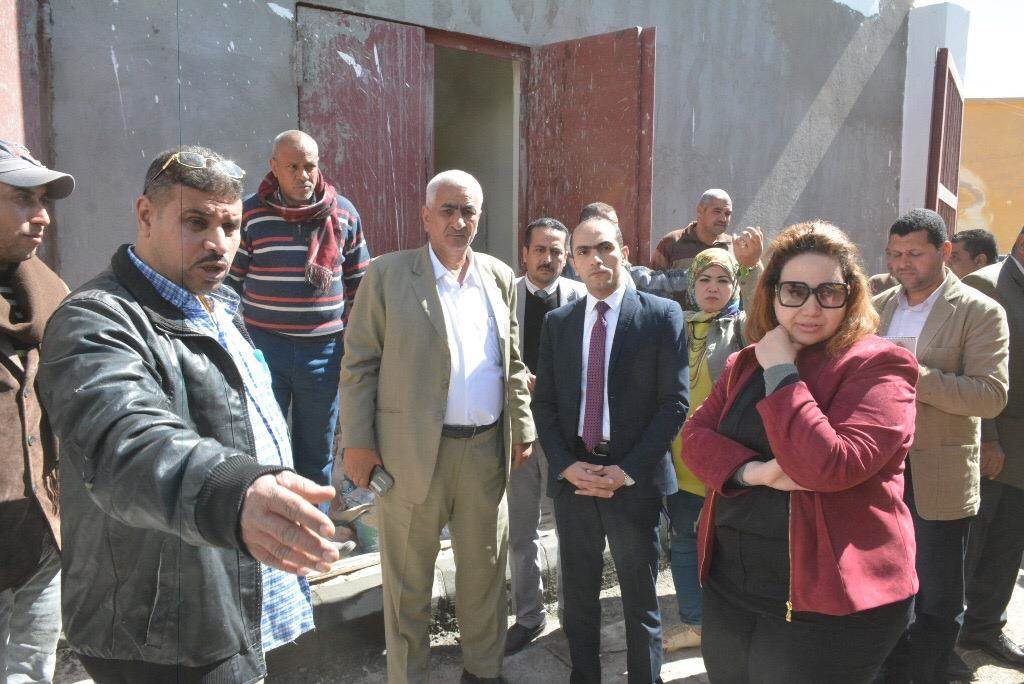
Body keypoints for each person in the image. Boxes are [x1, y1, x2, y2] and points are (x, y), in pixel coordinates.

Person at [38, 146, 340, 682]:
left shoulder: (219, 305)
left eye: (230, 226)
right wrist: (233, 492)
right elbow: (126, 439)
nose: (218, 243)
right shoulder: (95, 320)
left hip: (227, 597)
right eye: (196, 222)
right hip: (162, 628)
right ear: (145, 215)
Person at [682, 220, 920, 683]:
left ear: (850, 296)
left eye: (828, 292)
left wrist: (782, 371)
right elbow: (695, 438)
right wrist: (753, 472)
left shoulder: (880, 365)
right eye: (794, 291)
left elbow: (830, 466)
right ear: (772, 294)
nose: (810, 308)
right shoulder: (744, 362)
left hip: (832, 600)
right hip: (733, 584)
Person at [339, 170, 535, 683]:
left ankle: (483, 671)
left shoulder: (498, 276)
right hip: (409, 455)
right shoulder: (387, 275)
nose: (458, 221)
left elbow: (513, 362)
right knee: (408, 581)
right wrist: (357, 442)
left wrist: (523, 425)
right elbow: (359, 364)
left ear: (479, 217)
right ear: (425, 217)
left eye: (468, 211)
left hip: (485, 452)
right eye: (447, 210)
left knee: (485, 573)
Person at [533, 216, 688, 683]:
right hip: (576, 480)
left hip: (633, 481)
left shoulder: (661, 315)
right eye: (583, 251)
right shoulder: (559, 323)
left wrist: (627, 470)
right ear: (573, 261)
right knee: (577, 600)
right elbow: (544, 404)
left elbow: (674, 404)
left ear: (623, 250)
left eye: (604, 247)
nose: (595, 259)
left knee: (640, 600)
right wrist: (566, 466)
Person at [875, 208, 1009, 683]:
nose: (901, 263)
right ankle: (890, 671)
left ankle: (929, 672)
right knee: (885, 584)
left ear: (945, 252)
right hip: (878, 469)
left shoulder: (979, 310)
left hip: (940, 475)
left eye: (913, 253)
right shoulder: (878, 305)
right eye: (894, 254)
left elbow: (990, 396)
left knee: (937, 594)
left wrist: (912, 373)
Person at [228, 130, 370, 495]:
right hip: (264, 350)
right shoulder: (251, 214)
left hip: (323, 354)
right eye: (292, 167)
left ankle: (313, 524)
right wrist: (235, 344)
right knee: (263, 445)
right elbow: (229, 285)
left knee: (316, 451)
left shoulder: (343, 213)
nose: (303, 175)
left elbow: (361, 287)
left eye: (309, 166)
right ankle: (270, 522)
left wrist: (353, 345)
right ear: (274, 167)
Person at [0, 139, 73, 683]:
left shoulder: (50, 294)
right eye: (23, 199)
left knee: (31, 669)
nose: (42, 215)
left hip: (40, 531)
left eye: (43, 200)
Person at [506, 217, 585, 655]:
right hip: (518, 432)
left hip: (567, 435)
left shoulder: (581, 298)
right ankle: (529, 617)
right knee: (522, 531)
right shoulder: (505, 295)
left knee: (571, 530)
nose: (547, 258)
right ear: (525, 253)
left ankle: (574, 616)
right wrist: (518, 382)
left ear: (566, 256)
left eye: (556, 251)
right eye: (540, 249)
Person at [662, 248, 746, 653]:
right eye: (704, 280)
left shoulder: (743, 328)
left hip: (727, 455)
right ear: (692, 285)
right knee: (683, 539)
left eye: (723, 280)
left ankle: (733, 623)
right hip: (679, 456)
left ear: (736, 285)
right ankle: (695, 622)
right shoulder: (675, 325)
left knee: (730, 545)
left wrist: (754, 265)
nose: (713, 288)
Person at [958, 225, 1024, 667]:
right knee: (970, 546)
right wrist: (988, 437)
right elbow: (972, 368)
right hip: (994, 445)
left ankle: (984, 629)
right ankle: (941, 637)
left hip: (1020, 453)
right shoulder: (987, 285)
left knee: (1007, 546)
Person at [649, 188, 763, 307]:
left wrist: (753, 262)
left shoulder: (736, 248)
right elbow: (652, 288)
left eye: (727, 214)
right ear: (700, 211)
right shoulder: (673, 242)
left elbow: (756, 294)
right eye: (717, 211)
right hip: (678, 317)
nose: (723, 219)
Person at [578, 202, 693, 301]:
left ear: (624, 255)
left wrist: (699, 273)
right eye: (583, 252)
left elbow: (663, 283)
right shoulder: (571, 287)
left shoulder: (630, 278)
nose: (596, 260)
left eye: (607, 248)